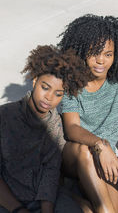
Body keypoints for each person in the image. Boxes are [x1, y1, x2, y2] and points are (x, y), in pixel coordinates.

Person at [58, 14, 118, 213]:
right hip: (75, 152)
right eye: (94, 53)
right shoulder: (72, 81)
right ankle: (70, 194)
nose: (101, 60)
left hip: (104, 157)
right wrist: (100, 145)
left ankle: (79, 202)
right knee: (86, 153)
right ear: (82, 52)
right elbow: (71, 128)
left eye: (108, 54)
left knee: (113, 210)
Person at [0, 45, 90, 213]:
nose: (49, 98)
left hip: (43, 199)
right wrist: (18, 209)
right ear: (35, 81)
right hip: (7, 200)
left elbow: (51, 172)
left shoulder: (56, 124)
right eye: (45, 87)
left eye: (58, 94)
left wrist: (46, 210)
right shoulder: (4, 116)